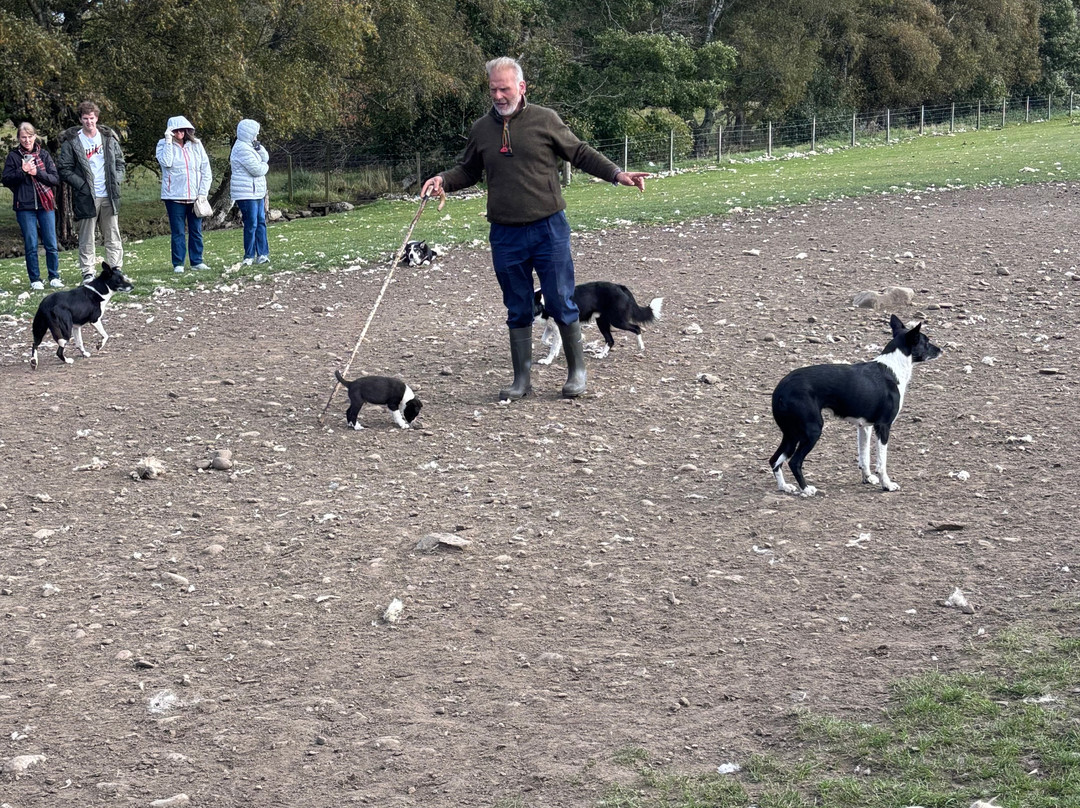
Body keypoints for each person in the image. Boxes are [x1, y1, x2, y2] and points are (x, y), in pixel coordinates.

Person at [422, 57, 648, 400]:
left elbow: (580, 153)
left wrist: (617, 174)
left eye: (504, 88)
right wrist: (442, 180)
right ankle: (521, 380)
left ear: (521, 87)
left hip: (548, 228)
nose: (498, 95)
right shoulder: (481, 129)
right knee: (518, 306)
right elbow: (467, 170)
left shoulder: (545, 119)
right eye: (493, 89)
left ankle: (576, 372)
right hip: (505, 233)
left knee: (560, 300)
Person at [57, 100, 125, 284]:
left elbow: (120, 162)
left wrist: (116, 180)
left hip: (109, 194)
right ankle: (88, 272)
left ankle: (116, 269)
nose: (89, 122)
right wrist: (82, 185)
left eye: (92, 118)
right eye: (85, 118)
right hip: (86, 196)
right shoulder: (72, 141)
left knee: (112, 234)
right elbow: (64, 168)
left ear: (97, 118)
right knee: (87, 236)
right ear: (80, 119)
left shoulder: (108, 138)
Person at [2, 122, 61, 290]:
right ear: (18, 138)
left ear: (35, 136)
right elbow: (6, 180)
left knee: (51, 243)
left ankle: (54, 276)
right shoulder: (13, 157)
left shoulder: (44, 155)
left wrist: (37, 173)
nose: (27, 140)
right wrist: (23, 171)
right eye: (23, 137)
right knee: (31, 244)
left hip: (45, 205)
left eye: (29, 137)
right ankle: (35, 279)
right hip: (24, 206)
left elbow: (55, 179)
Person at [156, 116, 213, 274]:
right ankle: (178, 263)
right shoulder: (162, 144)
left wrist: (202, 193)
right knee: (178, 232)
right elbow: (166, 163)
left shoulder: (196, 144)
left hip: (195, 197)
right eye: (175, 130)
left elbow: (205, 169)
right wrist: (168, 141)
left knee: (196, 230)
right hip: (173, 196)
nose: (179, 133)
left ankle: (197, 261)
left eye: (182, 130)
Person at [230, 119, 270, 266]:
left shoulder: (250, 146)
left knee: (260, 222)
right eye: (255, 133)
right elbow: (257, 170)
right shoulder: (241, 148)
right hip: (246, 193)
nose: (256, 135)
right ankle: (249, 255)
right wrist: (265, 166)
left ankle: (263, 254)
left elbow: (265, 158)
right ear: (248, 133)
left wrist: (259, 148)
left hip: (256, 191)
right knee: (251, 223)